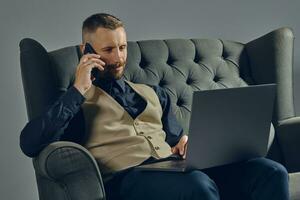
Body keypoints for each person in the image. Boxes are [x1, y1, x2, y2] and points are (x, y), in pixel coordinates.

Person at [20, 13, 290, 200]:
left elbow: (176, 140)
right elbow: (30, 143)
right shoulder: (76, 101)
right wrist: (78, 89)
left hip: (172, 170)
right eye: (108, 50)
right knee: (197, 187)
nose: (118, 58)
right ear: (86, 51)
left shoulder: (153, 93)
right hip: (126, 179)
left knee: (269, 172)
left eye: (122, 47)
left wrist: (187, 143)